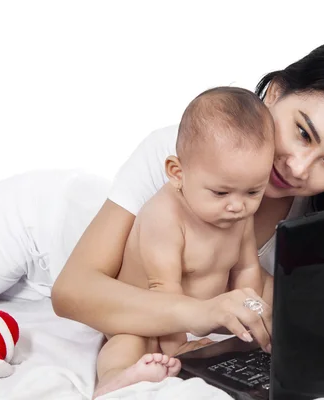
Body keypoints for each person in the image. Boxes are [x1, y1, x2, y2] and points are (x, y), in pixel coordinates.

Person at [0, 39, 324, 371]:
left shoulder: (315, 216)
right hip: (34, 232)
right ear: (276, 91)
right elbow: (72, 292)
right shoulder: (182, 156)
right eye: (302, 131)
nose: (300, 166)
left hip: (106, 309)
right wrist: (202, 315)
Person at [93, 86, 275, 397]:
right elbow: (164, 290)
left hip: (196, 317)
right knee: (125, 344)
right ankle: (116, 380)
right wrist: (181, 348)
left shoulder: (238, 214)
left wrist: (255, 316)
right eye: (221, 192)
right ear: (178, 173)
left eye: (253, 192)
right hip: (144, 315)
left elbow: (246, 270)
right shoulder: (164, 217)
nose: (237, 205)